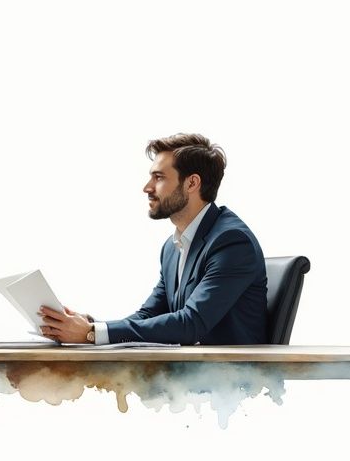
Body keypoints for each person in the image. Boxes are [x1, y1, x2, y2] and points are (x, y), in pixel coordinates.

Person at [39, 133, 267, 345]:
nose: (147, 188)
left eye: (159, 177)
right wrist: (91, 326)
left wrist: (91, 335)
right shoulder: (173, 247)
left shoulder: (232, 242)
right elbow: (148, 315)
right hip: (186, 374)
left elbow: (190, 324)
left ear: (191, 183)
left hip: (230, 381)